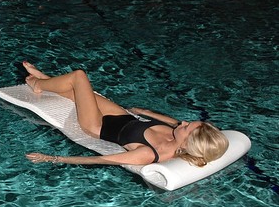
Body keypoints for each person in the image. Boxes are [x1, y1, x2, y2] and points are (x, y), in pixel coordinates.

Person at [21, 61, 229, 168]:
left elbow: (103, 160)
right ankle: (47, 79)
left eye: (187, 127)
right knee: (77, 90)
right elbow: (174, 122)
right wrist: (146, 112)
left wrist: (53, 158)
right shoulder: (179, 136)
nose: (182, 122)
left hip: (97, 125)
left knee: (79, 77)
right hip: (122, 116)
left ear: (186, 145)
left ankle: (39, 84)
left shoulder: (150, 154)